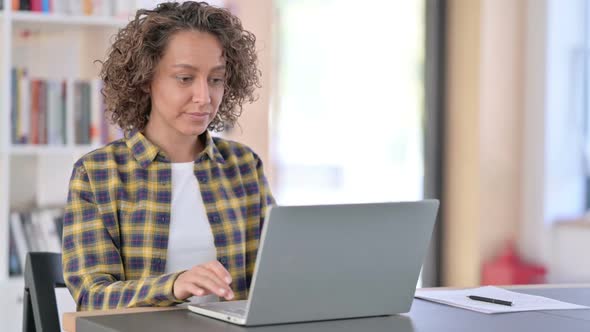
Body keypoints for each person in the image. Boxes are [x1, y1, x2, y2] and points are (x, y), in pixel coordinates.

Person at [62, 1, 275, 311]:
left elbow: (273, 277)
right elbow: (92, 296)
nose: (204, 97)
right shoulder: (97, 173)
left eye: (215, 79)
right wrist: (173, 285)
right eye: (185, 78)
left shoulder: (244, 166)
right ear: (146, 79)